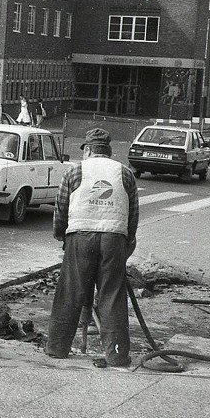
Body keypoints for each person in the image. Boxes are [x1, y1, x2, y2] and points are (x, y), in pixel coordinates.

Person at [45, 128, 139, 367]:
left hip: (81, 237)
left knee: (70, 292)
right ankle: (117, 355)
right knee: (112, 295)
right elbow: (133, 215)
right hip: (114, 239)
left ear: (87, 150)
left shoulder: (75, 171)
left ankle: (57, 349)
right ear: (108, 151)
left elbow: (61, 209)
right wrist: (126, 243)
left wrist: (61, 236)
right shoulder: (125, 173)